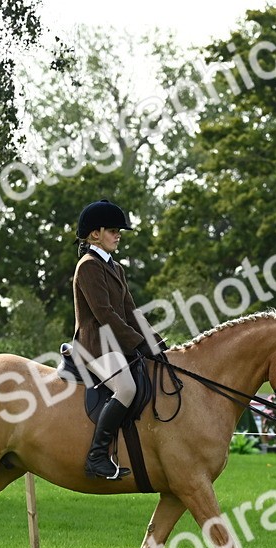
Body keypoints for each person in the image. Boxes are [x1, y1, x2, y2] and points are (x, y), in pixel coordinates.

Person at [71, 199, 158, 480]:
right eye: (113, 230)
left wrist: (156, 342)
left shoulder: (115, 268)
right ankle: (97, 456)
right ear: (95, 233)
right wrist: (138, 343)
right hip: (95, 345)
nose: (118, 234)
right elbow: (105, 314)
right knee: (127, 389)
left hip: (116, 343)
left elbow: (131, 312)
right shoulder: (88, 266)